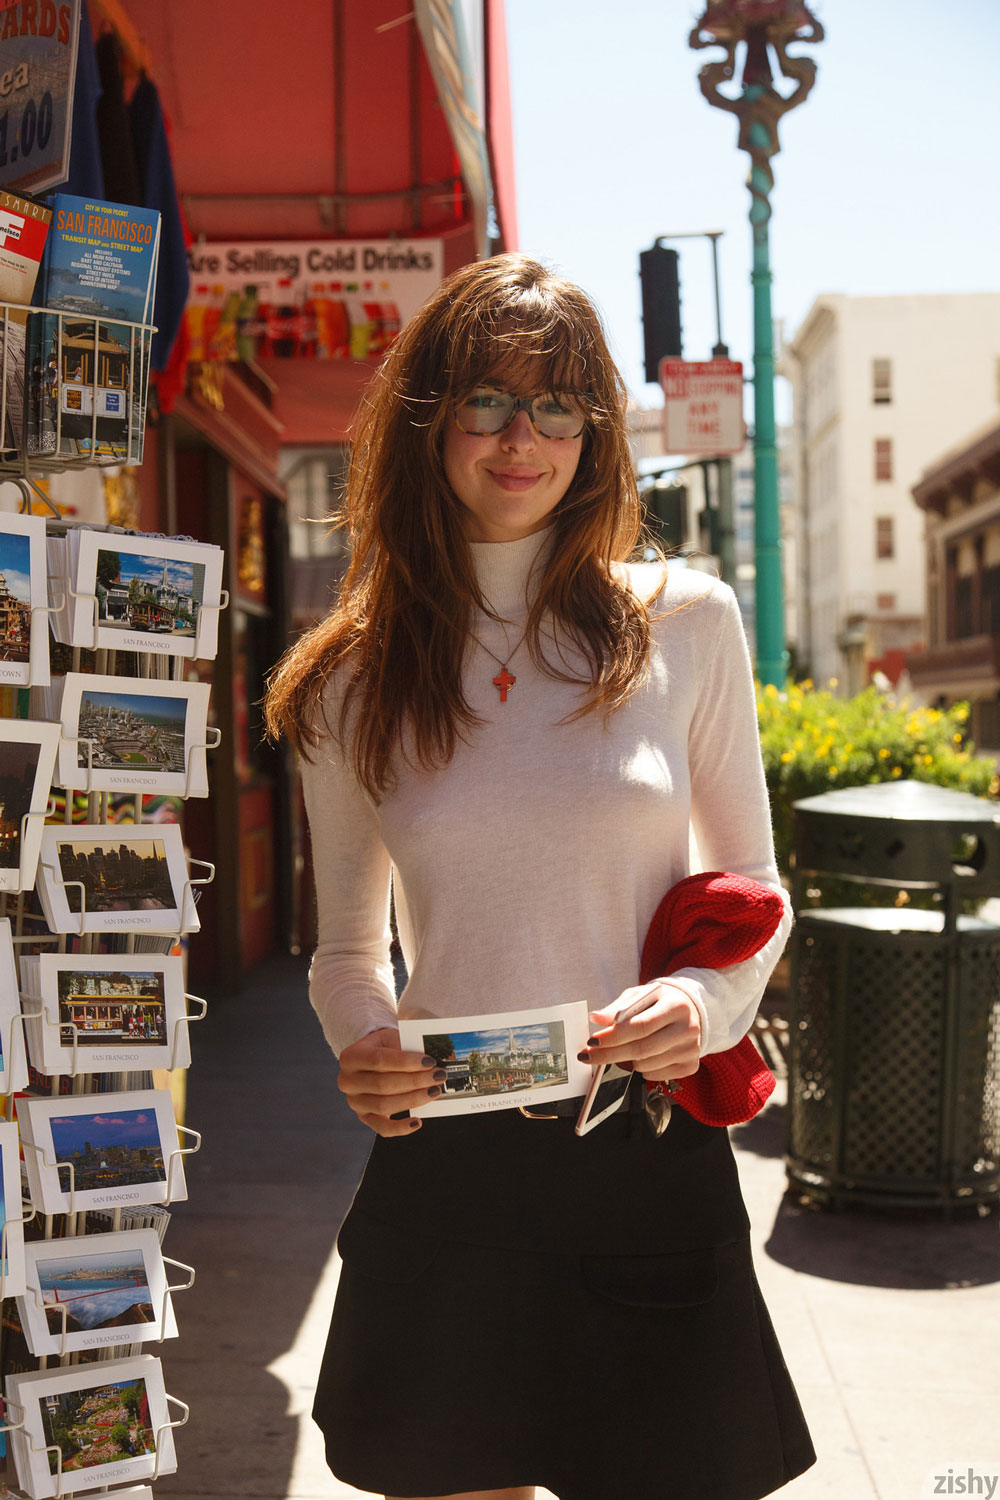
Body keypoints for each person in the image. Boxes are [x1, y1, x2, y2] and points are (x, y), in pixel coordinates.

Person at [264, 254, 815, 1500]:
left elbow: (754, 887)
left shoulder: (688, 623)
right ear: (429, 420)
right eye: (491, 402)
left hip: (646, 1152)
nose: (526, 439)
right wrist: (364, 1047)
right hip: (448, 1169)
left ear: (597, 431)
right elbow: (349, 954)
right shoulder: (349, 673)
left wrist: (702, 1007)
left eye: (559, 406)